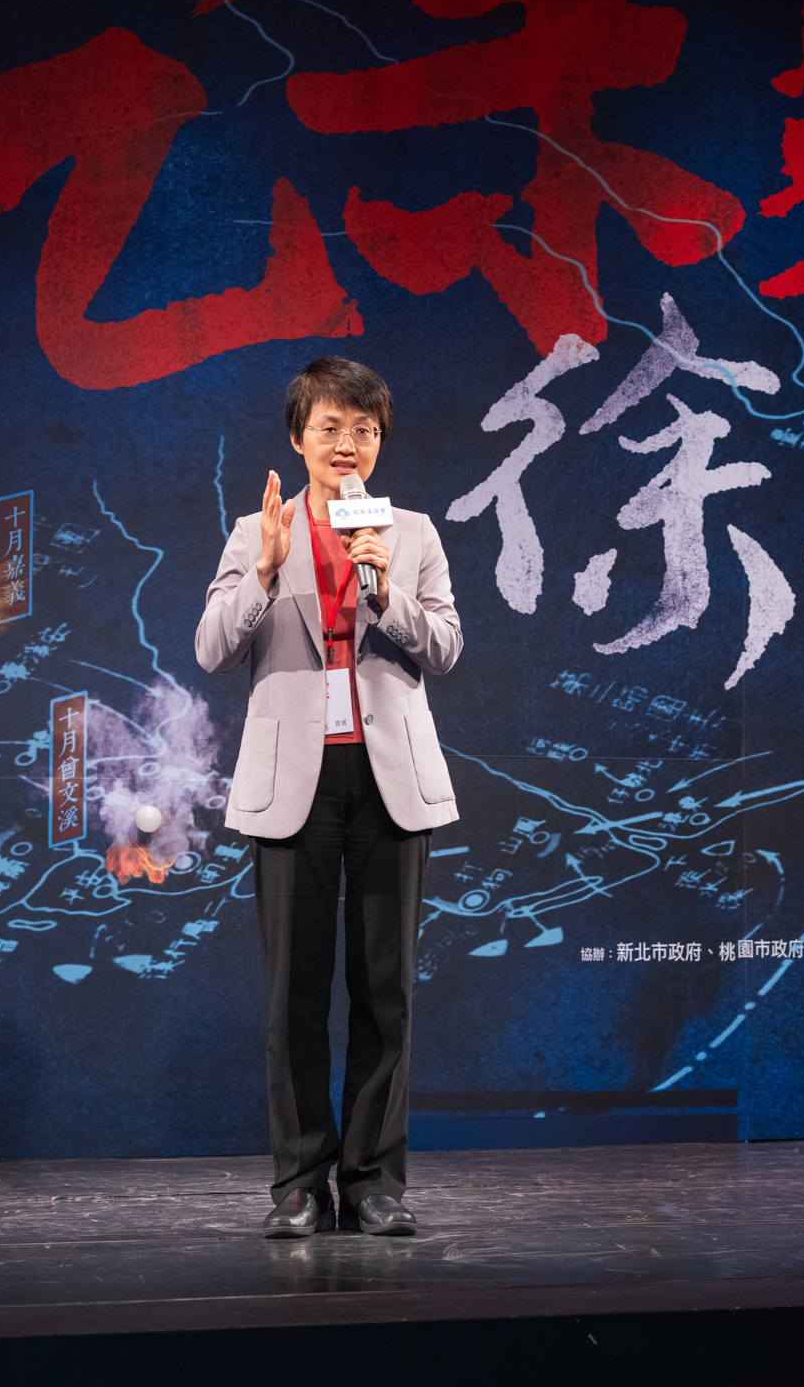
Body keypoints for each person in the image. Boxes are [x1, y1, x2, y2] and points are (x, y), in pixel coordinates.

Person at [196, 356, 462, 1238]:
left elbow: (446, 647)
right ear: (297, 437)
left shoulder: (411, 533)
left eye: (365, 430)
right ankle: (301, 1183)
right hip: (294, 785)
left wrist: (385, 588)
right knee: (295, 995)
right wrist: (265, 574)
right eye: (331, 428)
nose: (348, 445)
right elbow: (211, 650)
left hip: (388, 782)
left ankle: (376, 1181)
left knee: (386, 994)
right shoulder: (256, 532)